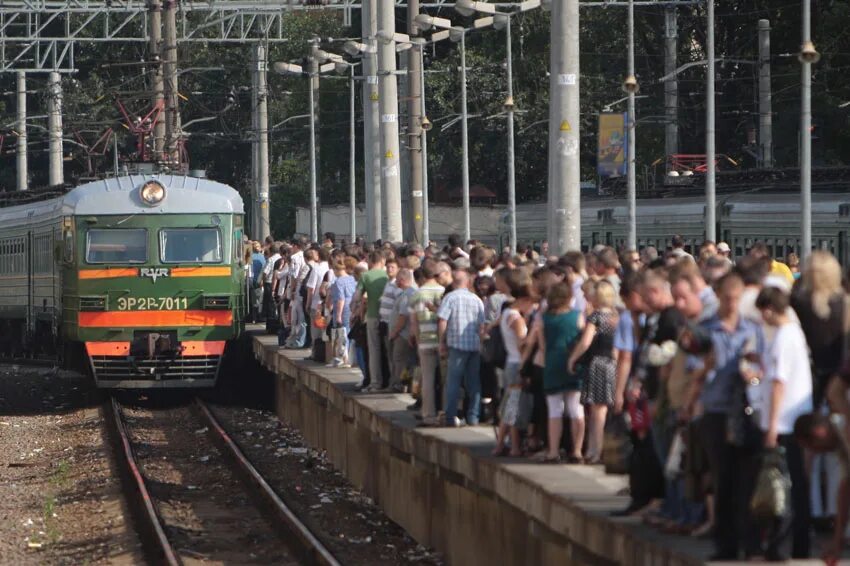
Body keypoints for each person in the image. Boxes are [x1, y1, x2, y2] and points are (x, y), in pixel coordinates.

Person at [690, 272, 764, 561]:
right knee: (723, 477)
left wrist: (755, 372)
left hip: (746, 409)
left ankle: (752, 542)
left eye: (737, 299)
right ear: (719, 297)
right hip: (717, 409)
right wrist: (705, 368)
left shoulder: (752, 329)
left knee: (748, 477)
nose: (733, 305)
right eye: (728, 299)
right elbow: (694, 369)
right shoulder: (706, 329)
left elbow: (763, 364)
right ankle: (726, 544)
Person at [755, 286, 813, 560]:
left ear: (768, 309)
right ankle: (798, 545)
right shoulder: (795, 333)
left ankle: (780, 545)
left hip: (786, 422)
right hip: (795, 418)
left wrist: (772, 425)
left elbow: (779, 383)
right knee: (795, 485)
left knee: (782, 488)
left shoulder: (782, 337)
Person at [568, 280, 618, 464]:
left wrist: (573, 358)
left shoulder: (596, 317)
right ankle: (594, 449)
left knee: (596, 411)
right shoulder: (616, 316)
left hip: (597, 363)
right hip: (612, 364)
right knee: (603, 409)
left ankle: (595, 450)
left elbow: (585, 342)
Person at [794, 412, 850, 564]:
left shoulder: (845, 430)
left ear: (819, 433)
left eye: (812, 447)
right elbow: (845, 493)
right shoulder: (840, 444)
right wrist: (837, 543)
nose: (816, 453)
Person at [539, 281, 584, 463]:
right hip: (572, 364)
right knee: (575, 409)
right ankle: (577, 451)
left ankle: (553, 451)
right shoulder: (577, 316)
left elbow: (542, 345)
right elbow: (582, 338)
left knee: (554, 410)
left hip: (552, 363)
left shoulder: (544, 318)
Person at [493, 269, 535, 456]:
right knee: (514, 408)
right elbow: (521, 344)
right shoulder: (517, 319)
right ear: (524, 300)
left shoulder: (507, 313)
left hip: (510, 362)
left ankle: (503, 443)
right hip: (518, 364)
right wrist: (533, 337)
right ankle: (512, 446)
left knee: (510, 405)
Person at [437, 268, 485, 427]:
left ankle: (450, 416)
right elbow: (481, 325)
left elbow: (442, 320)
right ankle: (473, 416)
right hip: (474, 345)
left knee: (453, 382)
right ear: (468, 281)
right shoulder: (477, 299)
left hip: (456, 344)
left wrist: (441, 342)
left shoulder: (449, 298)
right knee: (474, 383)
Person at [409, 259, 446, 426]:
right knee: (445, 379)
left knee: (428, 379)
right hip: (443, 340)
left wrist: (417, 341)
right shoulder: (444, 291)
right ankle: (445, 412)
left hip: (425, 340)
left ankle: (428, 414)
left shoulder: (417, 294)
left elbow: (414, 323)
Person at [356, 251, 389, 392]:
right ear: (382, 261)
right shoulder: (387, 276)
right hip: (387, 317)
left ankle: (375, 382)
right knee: (388, 350)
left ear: (370, 262)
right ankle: (391, 381)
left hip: (372, 315)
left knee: (374, 350)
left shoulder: (365, 276)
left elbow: (357, 297)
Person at [388, 268, 417, 392]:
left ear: (402, 280)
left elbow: (403, 316)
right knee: (403, 359)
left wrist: (394, 332)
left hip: (402, 335)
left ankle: (399, 384)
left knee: (399, 359)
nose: (396, 282)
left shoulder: (407, 294)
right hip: (404, 334)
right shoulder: (406, 293)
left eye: (398, 280)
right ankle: (401, 383)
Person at [328, 257, 357, 368]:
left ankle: (343, 359)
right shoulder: (352, 278)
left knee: (342, 333)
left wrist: (338, 315)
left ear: (336, 269)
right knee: (349, 332)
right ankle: (349, 358)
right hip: (352, 306)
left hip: (343, 308)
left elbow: (340, 299)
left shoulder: (338, 282)